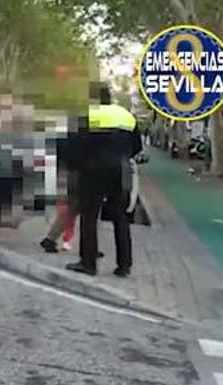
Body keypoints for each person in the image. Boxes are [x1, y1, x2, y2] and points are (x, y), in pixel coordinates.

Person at [66, 84, 142, 277]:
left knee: (89, 217)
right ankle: (124, 265)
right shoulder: (126, 116)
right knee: (121, 218)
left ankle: (88, 263)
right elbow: (137, 147)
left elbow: (74, 147)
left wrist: (76, 166)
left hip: (93, 171)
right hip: (120, 170)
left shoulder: (87, 116)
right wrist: (122, 157)